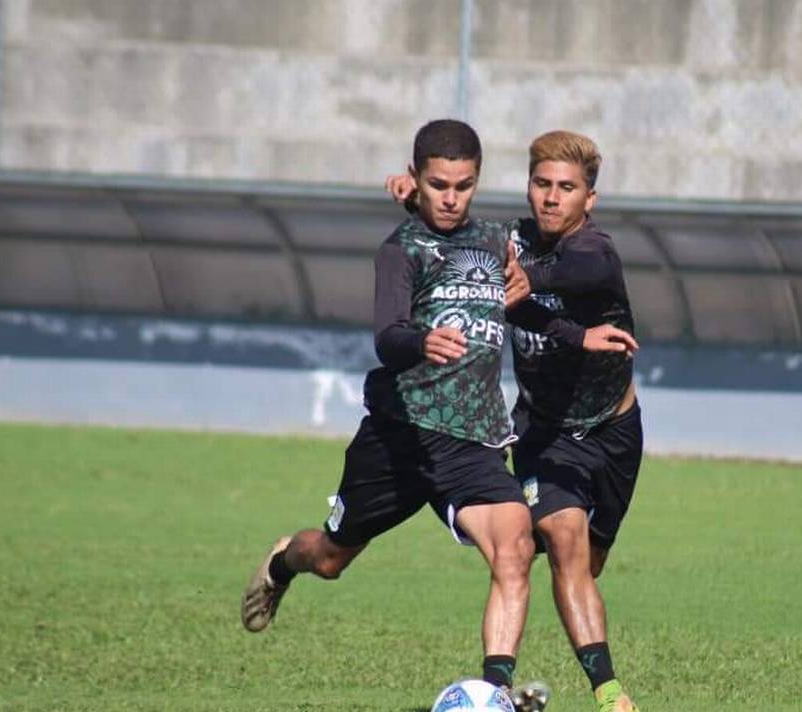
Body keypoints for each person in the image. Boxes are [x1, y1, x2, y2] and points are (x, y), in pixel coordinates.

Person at [242, 119, 540, 696]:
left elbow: (528, 260)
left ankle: (493, 695)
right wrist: (420, 342)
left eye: (464, 185)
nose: (451, 198)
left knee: (517, 548)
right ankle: (283, 562)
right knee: (329, 559)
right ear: (414, 180)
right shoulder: (399, 251)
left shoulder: (496, 241)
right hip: (399, 438)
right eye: (437, 186)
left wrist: (524, 284)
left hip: (471, 442)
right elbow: (386, 337)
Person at [387, 130, 642, 712]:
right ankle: (605, 695)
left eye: (567, 188)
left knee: (586, 565)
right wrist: (412, 200)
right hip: (542, 434)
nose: (552, 198)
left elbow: (576, 272)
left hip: (616, 434)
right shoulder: (505, 243)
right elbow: (450, 230)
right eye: (542, 184)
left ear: (589, 200)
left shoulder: (596, 251)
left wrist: (532, 280)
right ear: (529, 188)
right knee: (563, 541)